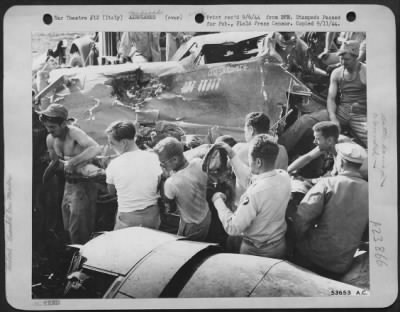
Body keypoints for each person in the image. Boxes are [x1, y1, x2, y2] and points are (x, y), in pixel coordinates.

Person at [292, 143, 368, 277]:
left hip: (312, 257)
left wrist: (296, 241)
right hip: (340, 265)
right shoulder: (371, 192)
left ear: (341, 162)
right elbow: (366, 233)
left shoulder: (327, 184)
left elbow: (301, 219)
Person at [211, 134, 291, 258]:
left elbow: (233, 228)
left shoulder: (254, 193)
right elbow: (251, 179)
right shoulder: (284, 177)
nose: (248, 162)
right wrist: (232, 155)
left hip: (256, 252)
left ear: (258, 162)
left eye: (249, 159)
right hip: (279, 246)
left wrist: (217, 200)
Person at [40, 104, 101, 244]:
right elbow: (55, 162)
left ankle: (83, 256)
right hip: (69, 183)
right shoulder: (50, 138)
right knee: (67, 220)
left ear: (63, 123)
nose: (49, 130)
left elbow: (95, 148)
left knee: (79, 224)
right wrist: (46, 180)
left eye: (53, 127)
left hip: (84, 183)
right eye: (47, 127)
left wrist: (73, 162)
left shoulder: (74, 133)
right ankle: (72, 250)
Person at [105, 121, 162, 230]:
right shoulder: (153, 157)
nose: (111, 147)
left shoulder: (114, 164)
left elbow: (111, 191)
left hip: (128, 219)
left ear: (124, 143)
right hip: (152, 217)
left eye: (112, 143)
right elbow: (158, 182)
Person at [153, 137, 211, 241]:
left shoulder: (171, 182)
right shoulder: (198, 162)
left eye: (163, 163)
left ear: (175, 159)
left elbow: (169, 206)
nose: (161, 166)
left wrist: (164, 178)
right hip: (206, 215)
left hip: (191, 225)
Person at [233, 112, 288, 208]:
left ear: (251, 130)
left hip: (245, 207)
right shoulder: (282, 150)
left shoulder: (239, 150)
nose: (245, 134)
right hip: (274, 206)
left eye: (245, 131)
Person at [327, 40, 367, 148]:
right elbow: (331, 98)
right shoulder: (337, 73)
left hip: (360, 115)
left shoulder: (366, 72)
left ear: (356, 57)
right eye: (341, 58)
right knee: (310, 122)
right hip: (342, 112)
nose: (343, 61)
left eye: (347, 59)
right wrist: (333, 118)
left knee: (375, 142)